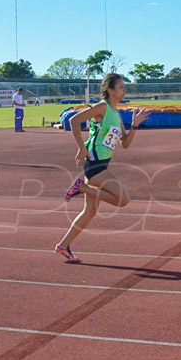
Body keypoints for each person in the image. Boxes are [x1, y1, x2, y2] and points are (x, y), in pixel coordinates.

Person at [55, 73, 151, 263]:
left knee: (89, 212)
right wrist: (81, 148)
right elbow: (74, 121)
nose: (124, 90)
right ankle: (81, 187)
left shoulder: (116, 114)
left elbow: (125, 144)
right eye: (121, 87)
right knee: (123, 200)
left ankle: (63, 246)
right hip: (94, 164)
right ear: (110, 90)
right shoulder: (102, 108)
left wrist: (134, 126)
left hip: (101, 164)